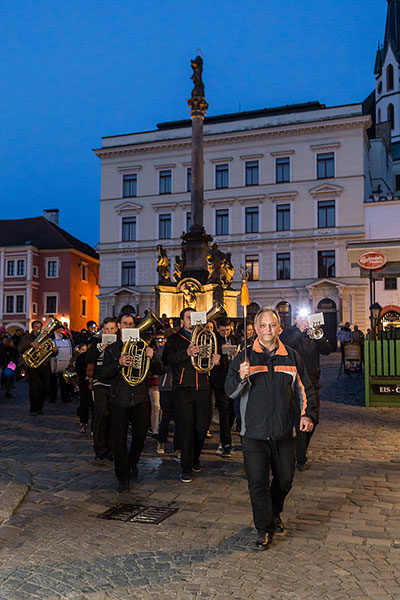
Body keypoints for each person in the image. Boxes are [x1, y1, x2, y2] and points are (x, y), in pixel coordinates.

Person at [225, 307, 316, 551]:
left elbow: (304, 388)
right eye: (263, 325)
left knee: (285, 479)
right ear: (256, 329)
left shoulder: (292, 356)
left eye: (272, 325)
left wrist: (307, 414)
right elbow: (230, 391)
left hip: (284, 431)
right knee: (257, 483)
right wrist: (241, 377)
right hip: (253, 433)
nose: (267, 330)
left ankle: (274, 511)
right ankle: (264, 528)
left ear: (279, 328)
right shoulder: (244, 357)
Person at [102, 313, 161, 492]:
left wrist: (153, 357)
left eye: (132, 324)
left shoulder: (142, 346)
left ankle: (132, 462)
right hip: (119, 399)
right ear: (119, 326)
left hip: (140, 397)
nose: (129, 326)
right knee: (119, 439)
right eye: (125, 324)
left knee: (141, 436)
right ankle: (122, 475)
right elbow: (103, 373)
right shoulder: (112, 349)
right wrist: (118, 363)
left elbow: (160, 370)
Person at [163, 307, 220, 483]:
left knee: (202, 427)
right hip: (183, 389)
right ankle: (186, 467)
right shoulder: (174, 339)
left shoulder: (207, 336)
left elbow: (209, 359)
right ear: (182, 321)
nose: (191, 321)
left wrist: (216, 360)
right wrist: (186, 353)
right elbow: (166, 359)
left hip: (203, 387)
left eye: (193, 318)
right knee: (185, 428)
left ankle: (195, 457)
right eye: (188, 318)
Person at [280, 312, 331, 471]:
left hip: (313, 382)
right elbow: (285, 345)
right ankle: (301, 457)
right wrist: (300, 331)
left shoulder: (314, 333)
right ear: (295, 320)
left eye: (305, 318)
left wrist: (317, 336)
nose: (303, 321)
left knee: (313, 419)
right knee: (300, 419)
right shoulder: (289, 333)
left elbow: (327, 350)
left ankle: (301, 448)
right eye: (300, 318)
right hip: (294, 384)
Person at [86, 317, 118, 462]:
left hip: (114, 384)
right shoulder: (96, 342)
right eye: (106, 329)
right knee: (100, 415)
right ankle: (99, 449)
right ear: (102, 330)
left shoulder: (120, 342)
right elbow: (88, 358)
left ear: (116, 329)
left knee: (113, 417)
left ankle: (111, 448)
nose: (109, 331)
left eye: (112, 329)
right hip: (100, 383)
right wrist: (100, 348)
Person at [210, 317, 238, 458]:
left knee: (232, 411)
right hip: (220, 381)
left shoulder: (235, 339)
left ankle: (225, 436)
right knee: (223, 412)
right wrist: (216, 359)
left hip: (233, 381)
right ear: (218, 328)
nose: (225, 333)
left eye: (227, 330)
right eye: (222, 330)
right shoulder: (214, 340)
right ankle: (226, 442)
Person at [18, 320, 55, 415]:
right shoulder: (27, 337)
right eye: (36, 327)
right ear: (32, 328)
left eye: (39, 327)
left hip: (44, 365)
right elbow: (20, 348)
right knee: (34, 387)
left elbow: (52, 353)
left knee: (46, 387)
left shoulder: (45, 338)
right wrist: (31, 344)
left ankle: (40, 405)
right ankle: (34, 409)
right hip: (33, 366)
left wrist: (54, 350)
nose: (38, 329)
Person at [154, 333, 180, 456]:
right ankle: (161, 441)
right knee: (166, 416)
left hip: (178, 386)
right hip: (166, 386)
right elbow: (160, 367)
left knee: (179, 418)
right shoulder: (160, 351)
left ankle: (177, 446)